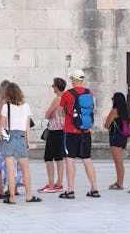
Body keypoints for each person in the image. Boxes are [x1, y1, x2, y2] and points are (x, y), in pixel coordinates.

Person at [0, 82, 41, 204]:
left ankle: (12, 197)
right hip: (21, 136)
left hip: (9, 137)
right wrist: (27, 141)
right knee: (25, 170)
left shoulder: (6, 107)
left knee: (10, 170)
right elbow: (27, 126)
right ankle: (29, 196)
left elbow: (2, 126)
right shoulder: (26, 106)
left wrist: (0, 140)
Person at [58, 69, 100, 199]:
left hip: (70, 131)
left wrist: (67, 112)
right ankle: (94, 189)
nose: (71, 81)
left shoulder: (67, 94)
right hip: (85, 131)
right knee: (87, 159)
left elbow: (60, 112)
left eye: (71, 79)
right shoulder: (90, 93)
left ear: (75, 79)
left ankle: (70, 190)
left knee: (70, 159)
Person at [0, 79, 23, 196]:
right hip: (17, 133)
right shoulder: (18, 103)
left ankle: (8, 188)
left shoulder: (0, 103)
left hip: (5, 132)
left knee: (5, 162)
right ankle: (14, 188)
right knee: (15, 161)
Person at [37, 77, 66, 193]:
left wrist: (50, 115)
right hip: (63, 130)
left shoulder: (57, 99)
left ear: (57, 86)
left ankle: (50, 184)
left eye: (53, 85)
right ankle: (59, 182)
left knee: (48, 157)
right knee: (59, 157)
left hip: (54, 130)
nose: (52, 87)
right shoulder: (67, 98)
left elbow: (47, 114)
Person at [104, 92, 130, 190]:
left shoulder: (114, 111)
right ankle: (119, 182)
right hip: (123, 138)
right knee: (120, 162)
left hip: (115, 138)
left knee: (118, 162)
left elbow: (106, 125)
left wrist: (107, 122)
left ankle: (120, 183)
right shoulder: (125, 111)